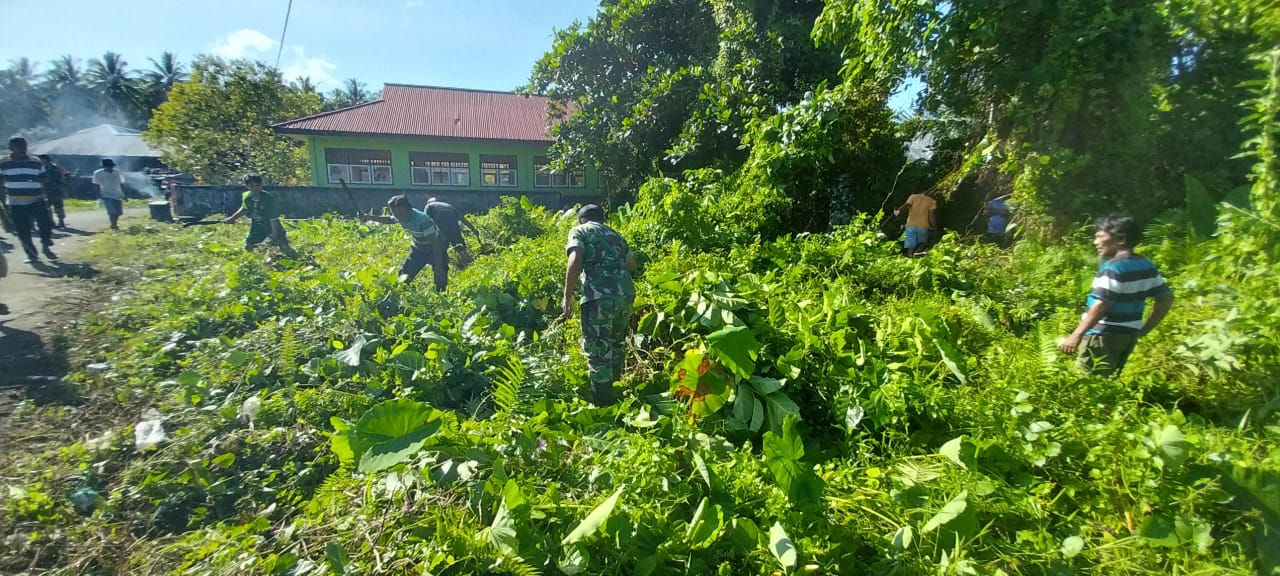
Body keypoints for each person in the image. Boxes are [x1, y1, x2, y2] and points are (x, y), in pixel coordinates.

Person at [1059, 214, 1174, 376]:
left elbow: (1101, 305)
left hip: (1102, 336)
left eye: (1100, 237)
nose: (1095, 242)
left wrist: (1076, 335)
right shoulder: (1146, 265)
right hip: (1127, 337)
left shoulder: (1113, 268)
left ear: (1120, 239)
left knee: (1090, 384)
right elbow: (1166, 298)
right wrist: (1145, 329)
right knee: (1110, 382)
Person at [562, 204, 637, 406]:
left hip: (599, 296)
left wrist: (567, 296)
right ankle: (617, 394)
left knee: (597, 351)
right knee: (616, 345)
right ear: (602, 219)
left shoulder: (580, 231)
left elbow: (575, 258)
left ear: (581, 219)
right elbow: (632, 264)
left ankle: (604, 406)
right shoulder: (616, 235)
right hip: (625, 295)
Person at [360, 195, 447, 291]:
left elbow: (435, 244)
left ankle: (442, 297)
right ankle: (401, 296)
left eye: (400, 214)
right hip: (418, 248)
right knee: (404, 275)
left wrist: (438, 266)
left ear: (409, 210)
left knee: (440, 278)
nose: (398, 218)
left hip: (436, 248)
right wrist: (370, 218)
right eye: (395, 214)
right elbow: (390, 219)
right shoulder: (400, 215)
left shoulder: (423, 221)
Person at [0, 137, 58, 263]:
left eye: (24, 145)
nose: (23, 148)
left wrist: (47, 198)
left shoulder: (36, 161)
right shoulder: (3, 163)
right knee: (23, 229)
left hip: (37, 199)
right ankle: (32, 255)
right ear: (11, 148)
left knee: (46, 224)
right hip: (15, 201)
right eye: (19, 146)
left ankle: (45, 246)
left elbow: (43, 180)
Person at [223, 175, 296, 256]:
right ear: (247, 186)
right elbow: (245, 209)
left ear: (261, 186)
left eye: (257, 185)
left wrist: (275, 235)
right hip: (257, 226)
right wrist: (232, 218)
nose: (255, 188)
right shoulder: (246, 197)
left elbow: (274, 219)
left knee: (282, 250)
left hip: (271, 226)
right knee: (249, 246)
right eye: (252, 186)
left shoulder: (269, 199)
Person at [424, 197, 479, 268]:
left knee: (441, 250)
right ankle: (469, 268)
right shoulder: (449, 206)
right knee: (460, 249)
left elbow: (425, 221)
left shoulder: (429, 206)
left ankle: (444, 268)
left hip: (442, 230)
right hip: (454, 228)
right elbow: (462, 219)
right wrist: (473, 229)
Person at [894, 189, 937, 256]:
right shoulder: (932, 201)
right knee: (922, 242)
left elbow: (906, 205)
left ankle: (910, 256)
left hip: (910, 224)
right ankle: (917, 253)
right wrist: (934, 226)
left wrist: (898, 212)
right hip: (923, 226)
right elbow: (931, 215)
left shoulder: (913, 196)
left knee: (911, 244)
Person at [92, 158, 126, 230]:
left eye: (111, 166)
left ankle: (114, 223)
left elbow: (121, 183)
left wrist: (124, 194)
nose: (109, 167)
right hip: (106, 194)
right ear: (104, 166)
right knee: (112, 211)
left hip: (117, 194)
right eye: (107, 166)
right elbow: (96, 185)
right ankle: (113, 225)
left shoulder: (117, 172)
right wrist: (99, 197)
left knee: (118, 212)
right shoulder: (97, 173)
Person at [38, 154, 68, 229]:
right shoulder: (39, 168)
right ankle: (51, 222)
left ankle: (61, 221)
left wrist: (61, 185)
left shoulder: (55, 167)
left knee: (59, 207)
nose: (41, 161)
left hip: (56, 190)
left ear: (46, 160)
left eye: (42, 159)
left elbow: (65, 175)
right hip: (44, 190)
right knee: (47, 208)